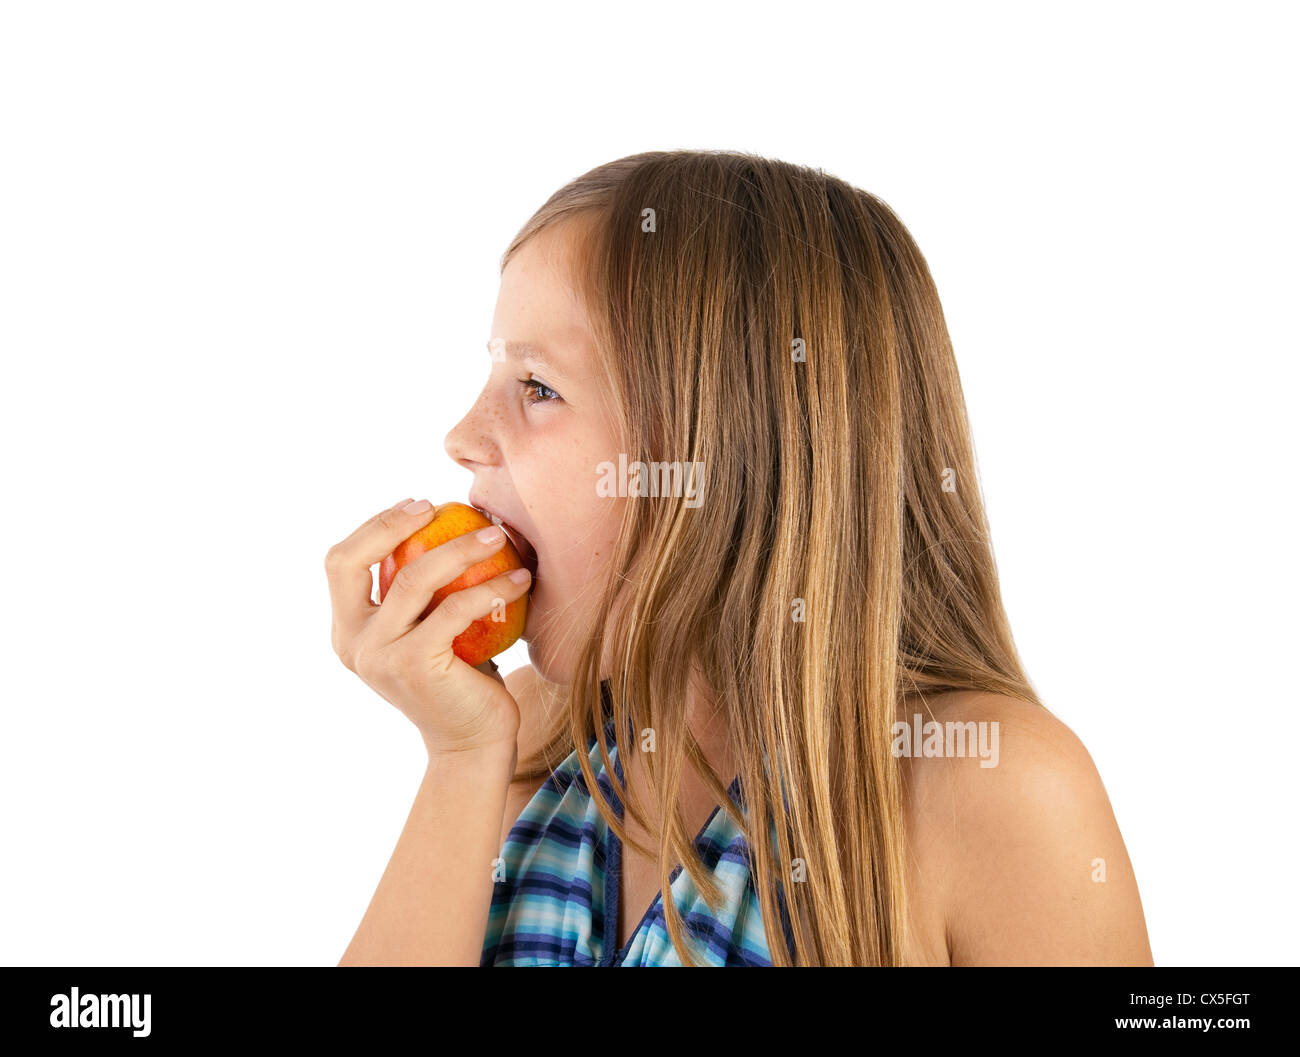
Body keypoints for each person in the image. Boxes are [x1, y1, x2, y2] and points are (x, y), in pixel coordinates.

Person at [326, 150, 1153, 966]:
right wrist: (462, 763)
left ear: (726, 453)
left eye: (539, 387)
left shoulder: (990, 789)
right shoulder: (531, 745)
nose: (463, 436)